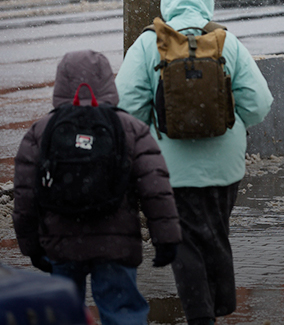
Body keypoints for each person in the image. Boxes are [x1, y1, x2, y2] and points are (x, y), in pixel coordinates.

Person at [115, 0, 274, 325]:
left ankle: (201, 315)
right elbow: (260, 103)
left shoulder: (148, 43)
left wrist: (154, 131)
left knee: (184, 243)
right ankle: (221, 302)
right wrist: (229, 125)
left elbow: (126, 109)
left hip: (171, 170)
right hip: (225, 167)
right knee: (216, 232)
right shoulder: (224, 42)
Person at [12, 49, 181, 325]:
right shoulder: (130, 128)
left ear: (60, 82)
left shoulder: (41, 131)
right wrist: (166, 239)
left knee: (64, 314)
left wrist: (31, 246)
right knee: (122, 310)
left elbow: (25, 196)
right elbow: (156, 189)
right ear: (107, 81)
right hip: (116, 242)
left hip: (62, 242)